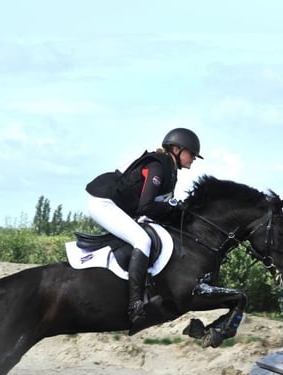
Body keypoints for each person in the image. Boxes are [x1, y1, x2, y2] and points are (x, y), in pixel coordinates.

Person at [86, 127, 203, 326]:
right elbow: (146, 206)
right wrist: (172, 206)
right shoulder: (159, 166)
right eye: (191, 153)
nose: (193, 158)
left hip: (121, 206)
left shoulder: (170, 170)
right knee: (142, 239)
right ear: (176, 149)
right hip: (103, 202)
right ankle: (135, 304)